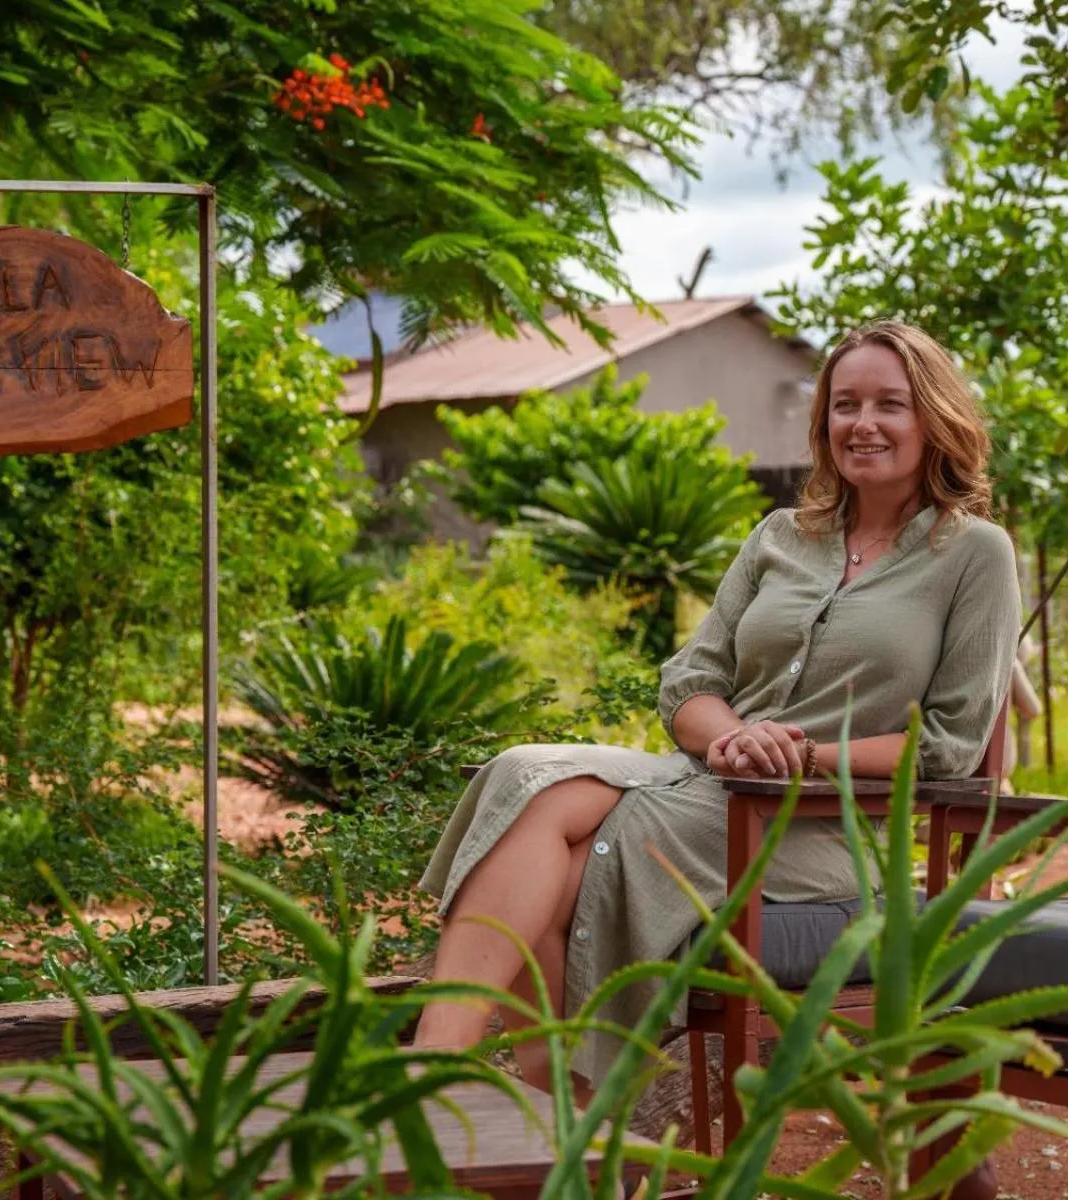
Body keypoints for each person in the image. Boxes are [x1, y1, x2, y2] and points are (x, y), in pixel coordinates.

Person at [413, 321, 1019, 1193]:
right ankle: (482, 1099)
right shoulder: (780, 535)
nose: (864, 423)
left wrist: (801, 753)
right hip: (710, 781)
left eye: (890, 404)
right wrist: (730, 733)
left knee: (580, 848)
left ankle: (527, 1116)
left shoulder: (972, 554)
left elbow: (953, 746)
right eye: (844, 404)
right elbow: (689, 683)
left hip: (821, 830)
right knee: (522, 772)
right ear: (823, 423)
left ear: (934, 419)